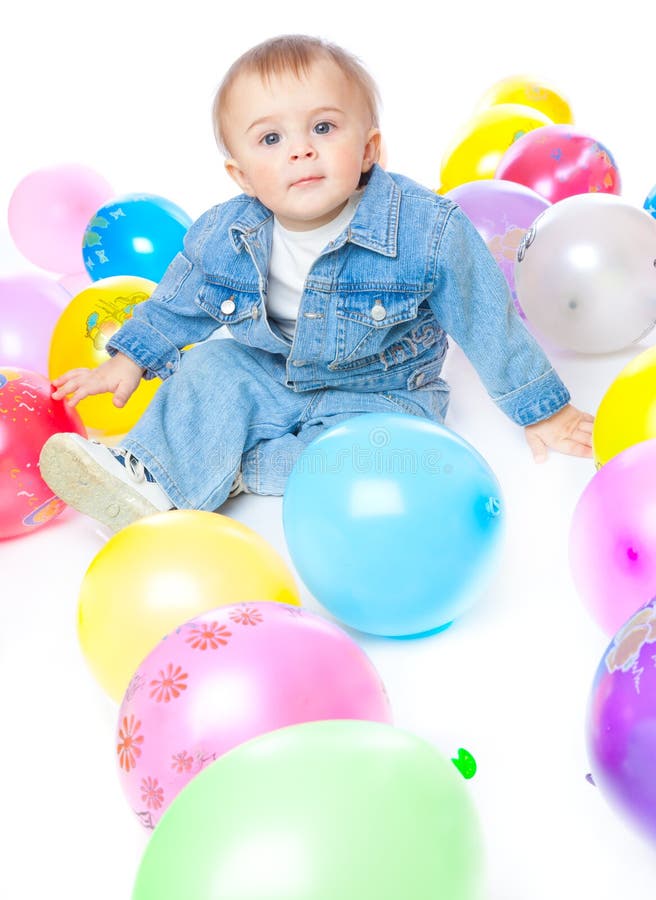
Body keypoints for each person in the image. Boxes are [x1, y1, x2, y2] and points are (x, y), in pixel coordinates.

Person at [39, 34, 593, 533]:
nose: (301, 149)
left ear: (369, 149)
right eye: (271, 138)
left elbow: (485, 317)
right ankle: (148, 477)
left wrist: (544, 410)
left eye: (323, 128)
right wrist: (130, 359)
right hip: (273, 371)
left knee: (378, 452)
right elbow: (179, 305)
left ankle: (233, 467)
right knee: (210, 365)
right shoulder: (227, 233)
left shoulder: (426, 229)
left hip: (383, 390)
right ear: (242, 176)